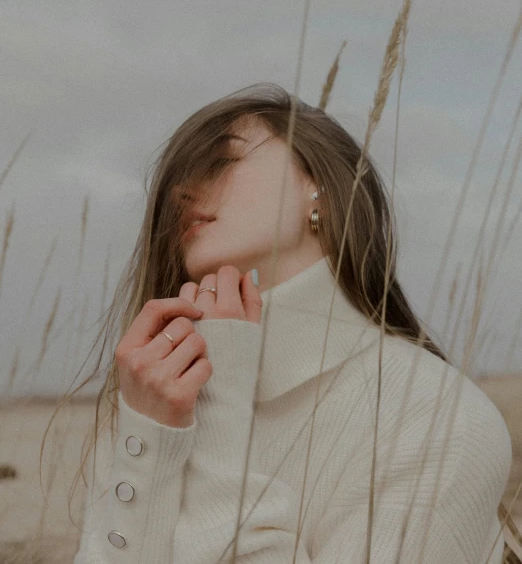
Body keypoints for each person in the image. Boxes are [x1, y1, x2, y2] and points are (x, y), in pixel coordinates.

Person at [65, 83, 516, 563]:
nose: (181, 191)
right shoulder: (156, 394)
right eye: (176, 180)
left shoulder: (436, 417)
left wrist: (222, 410)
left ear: (315, 186)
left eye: (221, 160)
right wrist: (152, 432)